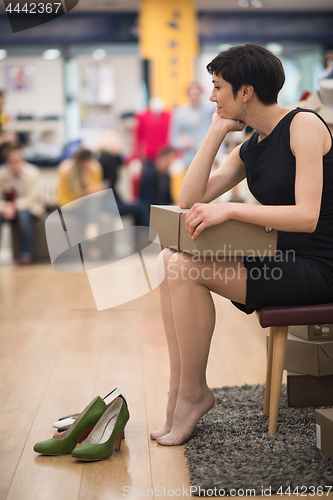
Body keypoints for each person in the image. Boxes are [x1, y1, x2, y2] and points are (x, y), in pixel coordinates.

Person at [151, 43, 333, 446]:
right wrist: (216, 131)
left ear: (245, 91)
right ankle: (184, 392)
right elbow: (189, 200)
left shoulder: (304, 126)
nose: (212, 96)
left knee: (181, 266)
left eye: (217, 87)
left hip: (319, 265)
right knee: (170, 258)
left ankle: (192, 395)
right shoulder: (252, 144)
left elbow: (307, 216)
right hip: (281, 257)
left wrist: (232, 212)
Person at [0, 143, 44, 264]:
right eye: (12, 161)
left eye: (19, 160)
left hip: (30, 208)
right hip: (8, 209)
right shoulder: (2, 174)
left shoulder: (33, 173)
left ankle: (26, 254)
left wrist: (14, 206)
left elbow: (31, 199)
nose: (16, 164)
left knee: (23, 216)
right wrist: (5, 207)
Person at [97, 131, 148, 227]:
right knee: (142, 207)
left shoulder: (101, 159)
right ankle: (145, 237)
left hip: (103, 202)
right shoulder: (110, 160)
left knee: (138, 207)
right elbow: (109, 186)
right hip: (107, 202)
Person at [170, 82, 216, 167]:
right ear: (188, 95)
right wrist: (185, 143)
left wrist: (207, 91)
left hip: (209, 156)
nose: (195, 97)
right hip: (189, 159)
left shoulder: (209, 110)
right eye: (192, 94)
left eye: (197, 94)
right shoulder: (180, 113)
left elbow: (218, 104)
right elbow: (173, 139)